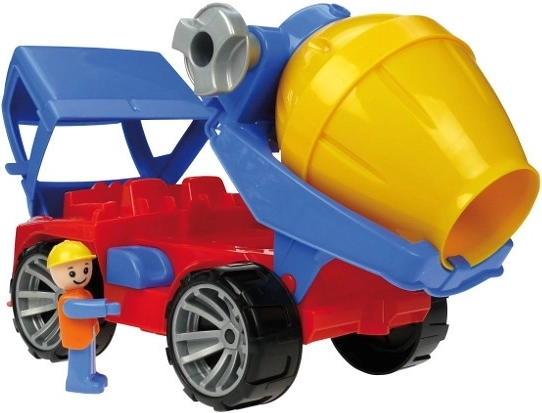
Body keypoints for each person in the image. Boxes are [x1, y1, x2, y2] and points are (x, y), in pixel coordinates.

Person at [47, 240, 120, 394]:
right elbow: (83, 309)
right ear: (54, 273)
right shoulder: (67, 301)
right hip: (77, 339)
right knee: (80, 359)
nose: (81, 276)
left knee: (89, 357)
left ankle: (91, 374)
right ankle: (78, 380)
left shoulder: (83, 293)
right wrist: (105, 307)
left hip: (87, 335)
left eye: (86, 269)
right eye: (72, 273)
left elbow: (87, 307)